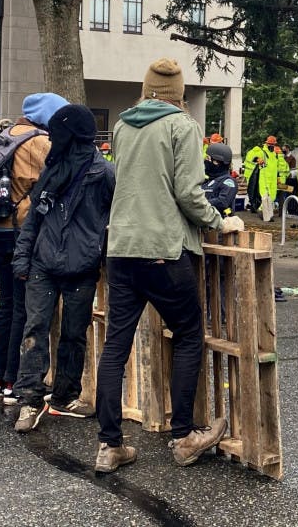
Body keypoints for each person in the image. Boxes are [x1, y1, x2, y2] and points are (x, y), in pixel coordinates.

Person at [94, 57, 244, 473]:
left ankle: (109, 445)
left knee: (115, 346)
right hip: (163, 248)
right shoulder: (182, 126)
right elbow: (188, 193)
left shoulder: (122, 126)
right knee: (189, 333)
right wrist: (218, 221)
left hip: (121, 247)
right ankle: (183, 437)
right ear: (179, 94)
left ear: (145, 89)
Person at [12, 104, 114, 432]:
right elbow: (34, 217)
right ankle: (29, 399)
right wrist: (22, 257)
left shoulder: (103, 174)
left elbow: (114, 218)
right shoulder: (52, 168)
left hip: (82, 264)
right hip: (43, 262)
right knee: (35, 329)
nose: (52, 139)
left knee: (73, 333)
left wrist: (101, 254)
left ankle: (65, 396)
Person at [0, 92, 67, 404]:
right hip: (23, 229)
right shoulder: (39, 142)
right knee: (24, 306)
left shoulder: (4, 136)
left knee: (6, 303)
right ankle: (13, 379)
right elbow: (58, 179)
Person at [202, 142, 237, 216]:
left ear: (216, 162)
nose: (205, 161)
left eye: (208, 158)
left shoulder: (228, 181)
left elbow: (223, 202)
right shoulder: (208, 180)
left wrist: (200, 203)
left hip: (218, 221)